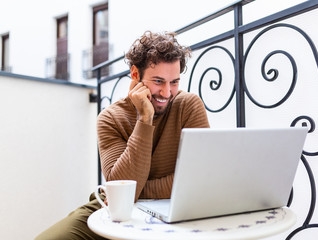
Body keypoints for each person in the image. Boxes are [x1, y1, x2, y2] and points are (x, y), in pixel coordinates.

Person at [35, 31, 209, 240]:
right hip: (112, 209)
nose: (166, 93)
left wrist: (132, 191)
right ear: (135, 74)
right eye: (158, 81)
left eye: (174, 82)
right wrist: (145, 118)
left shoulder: (189, 106)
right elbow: (120, 189)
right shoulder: (110, 118)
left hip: (171, 208)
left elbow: (199, 180)